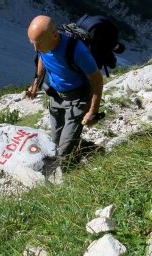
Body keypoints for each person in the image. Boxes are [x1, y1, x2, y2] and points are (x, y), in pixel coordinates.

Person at [24, 15, 103, 163]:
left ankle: (66, 171)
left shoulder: (77, 51)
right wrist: (35, 85)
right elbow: (42, 57)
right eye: (32, 43)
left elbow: (97, 80)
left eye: (38, 44)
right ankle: (83, 147)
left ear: (54, 35)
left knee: (63, 150)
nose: (35, 48)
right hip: (56, 96)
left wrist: (93, 111)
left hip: (77, 99)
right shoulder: (44, 45)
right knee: (55, 139)